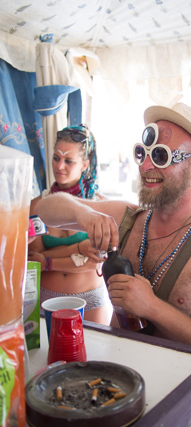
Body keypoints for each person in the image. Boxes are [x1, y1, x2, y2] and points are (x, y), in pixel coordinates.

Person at [34, 103, 191, 371]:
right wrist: (83, 214)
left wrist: (152, 307)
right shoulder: (129, 217)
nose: (145, 166)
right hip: (117, 380)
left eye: (161, 156)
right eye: (142, 153)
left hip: (179, 396)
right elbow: (43, 210)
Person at [28, 124, 113, 325]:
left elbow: (95, 261)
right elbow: (33, 259)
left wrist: (48, 262)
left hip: (91, 299)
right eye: (56, 158)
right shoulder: (36, 206)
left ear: (84, 165)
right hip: (47, 298)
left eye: (69, 161)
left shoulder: (101, 206)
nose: (59, 166)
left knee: (92, 356)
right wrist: (79, 249)